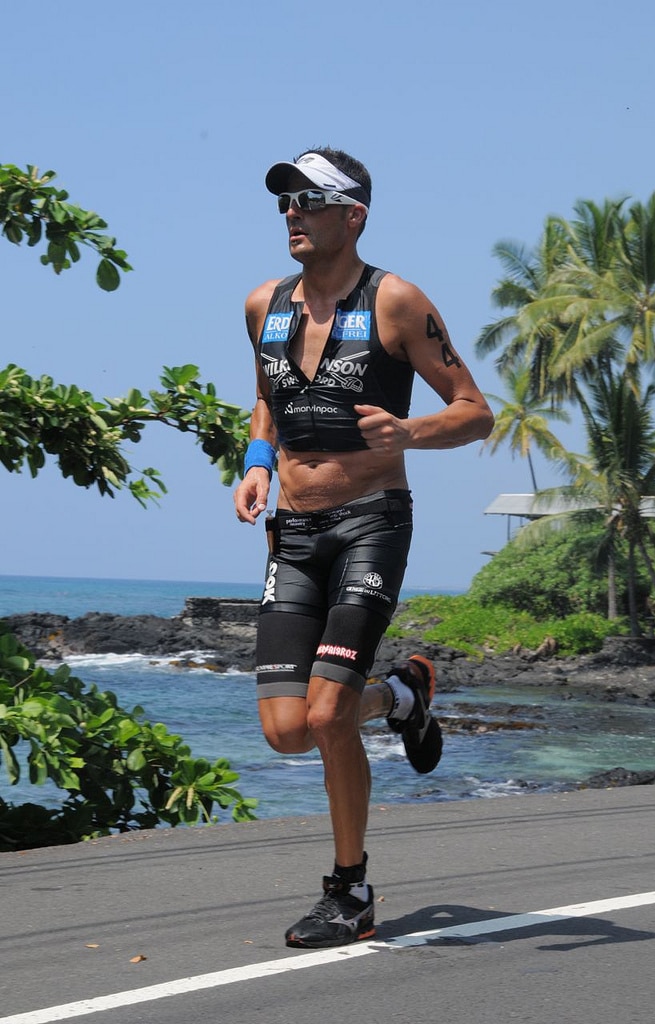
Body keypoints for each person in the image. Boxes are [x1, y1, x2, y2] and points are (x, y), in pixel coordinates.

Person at [233, 148, 494, 949]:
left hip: (372, 523)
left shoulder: (397, 302)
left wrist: (411, 431)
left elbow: (475, 411)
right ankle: (404, 696)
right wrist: (256, 464)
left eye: (310, 200)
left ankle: (350, 891)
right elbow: (266, 396)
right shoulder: (262, 304)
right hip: (294, 532)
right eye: (286, 201)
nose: (293, 213)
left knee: (328, 712)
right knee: (288, 729)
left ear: (353, 216)